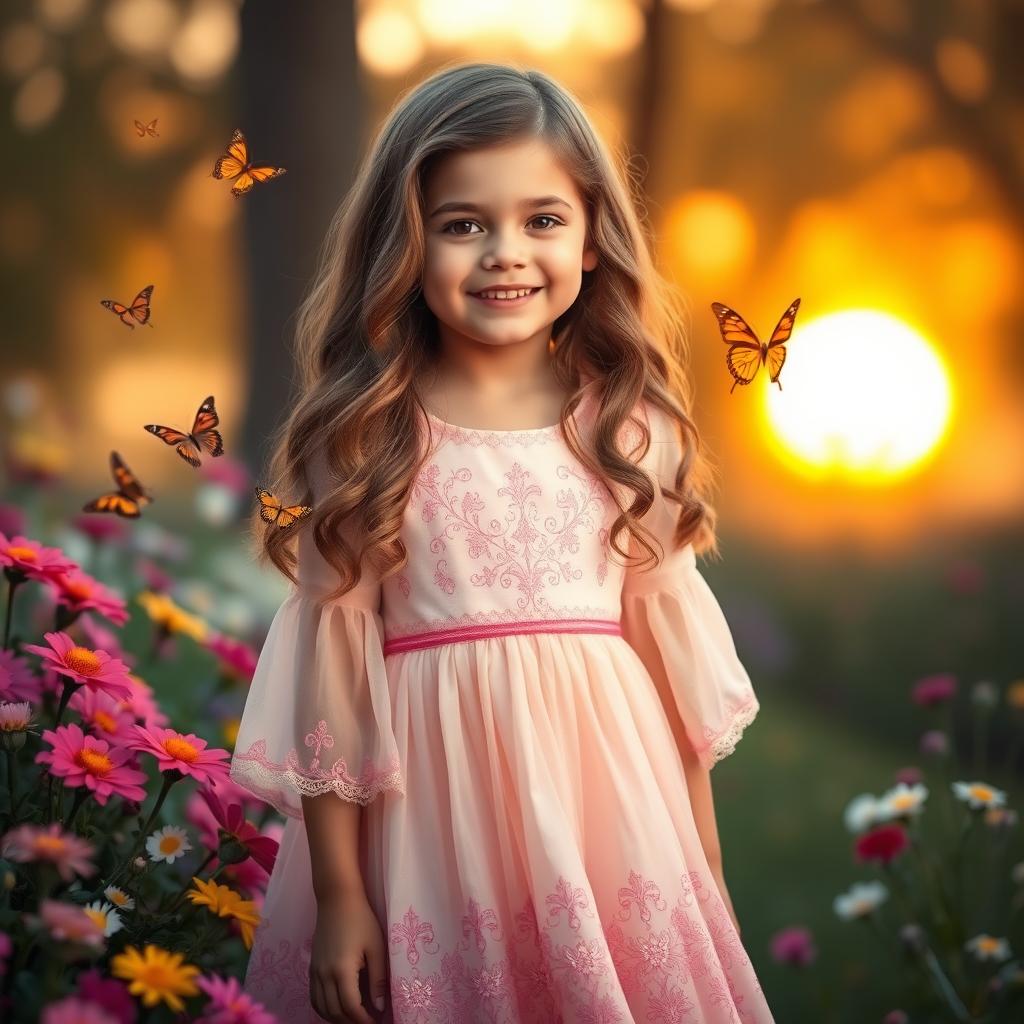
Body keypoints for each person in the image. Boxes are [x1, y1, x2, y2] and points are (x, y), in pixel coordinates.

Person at [229, 61, 774, 1024]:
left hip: (612, 833)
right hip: (432, 839)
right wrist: (346, 896)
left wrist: (706, 877)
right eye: (463, 224)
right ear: (406, 241)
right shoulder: (365, 438)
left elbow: (673, 694)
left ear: (595, 238)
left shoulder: (632, 433)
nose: (505, 253)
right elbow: (334, 680)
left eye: (543, 220)